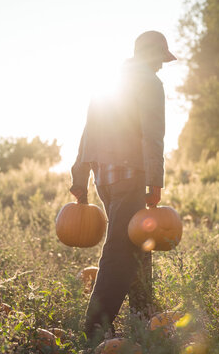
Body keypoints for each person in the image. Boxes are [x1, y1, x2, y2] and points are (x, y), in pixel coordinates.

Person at [69, 30, 176, 341]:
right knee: (121, 250)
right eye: (161, 60)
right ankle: (94, 328)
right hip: (132, 174)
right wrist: (155, 181)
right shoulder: (150, 82)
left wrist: (80, 174)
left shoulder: (111, 78)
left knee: (140, 244)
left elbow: (89, 129)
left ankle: (144, 317)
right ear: (155, 55)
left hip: (105, 176)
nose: (162, 66)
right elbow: (152, 135)